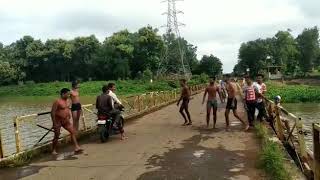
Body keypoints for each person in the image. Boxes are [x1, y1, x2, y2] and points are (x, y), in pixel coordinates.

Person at [51, 88, 83, 155]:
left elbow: (67, 109)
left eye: (69, 94)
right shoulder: (57, 101)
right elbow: (52, 112)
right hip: (58, 121)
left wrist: (69, 115)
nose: (69, 95)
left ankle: (77, 147)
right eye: (67, 94)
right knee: (57, 135)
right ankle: (53, 150)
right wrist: (54, 123)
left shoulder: (68, 101)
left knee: (73, 131)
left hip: (66, 120)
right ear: (63, 94)